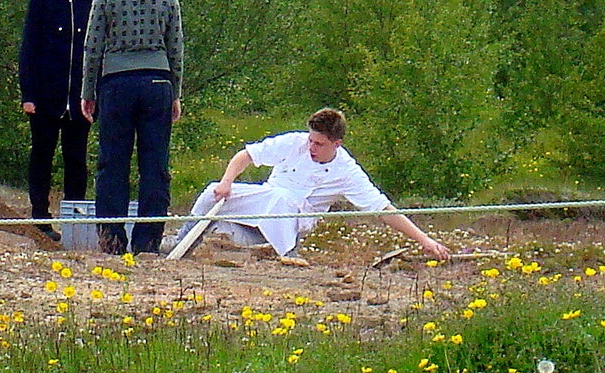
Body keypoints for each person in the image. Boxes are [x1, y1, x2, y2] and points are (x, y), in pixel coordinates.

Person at [172, 108, 450, 262]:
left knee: (283, 201)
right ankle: (180, 242)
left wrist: (425, 241)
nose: (312, 147)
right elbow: (246, 155)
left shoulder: (347, 171)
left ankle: (285, 254)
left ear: (336, 144)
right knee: (212, 194)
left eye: (319, 144)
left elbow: (382, 208)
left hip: (290, 224)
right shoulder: (294, 142)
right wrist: (226, 182)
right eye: (311, 140)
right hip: (261, 206)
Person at [81, 0, 184, 255]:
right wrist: (176, 94)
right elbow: (176, 48)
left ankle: (112, 241)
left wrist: (88, 91)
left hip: (116, 83)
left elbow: (93, 46)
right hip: (157, 82)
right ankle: (148, 243)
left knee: (113, 164)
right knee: (155, 165)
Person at [19, 0, 97, 241]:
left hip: (80, 98)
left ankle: (74, 223)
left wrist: (94, 94)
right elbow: (30, 47)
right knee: (41, 155)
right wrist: (28, 93)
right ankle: (40, 218)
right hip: (46, 95)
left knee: (76, 160)